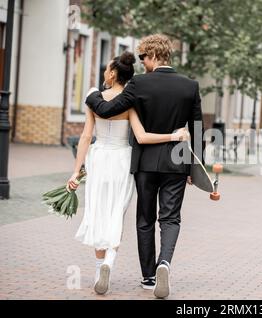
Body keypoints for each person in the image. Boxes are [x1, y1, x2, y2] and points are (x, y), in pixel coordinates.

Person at [85, 34, 204, 299]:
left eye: (142, 58)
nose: (141, 63)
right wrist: (196, 168)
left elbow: (107, 109)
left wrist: (91, 96)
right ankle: (165, 263)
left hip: (146, 162)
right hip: (177, 161)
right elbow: (197, 129)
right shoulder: (190, 86)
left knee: (145, 219)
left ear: (151, 56)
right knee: (171, 218)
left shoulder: (139, 83)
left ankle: (149, 277)